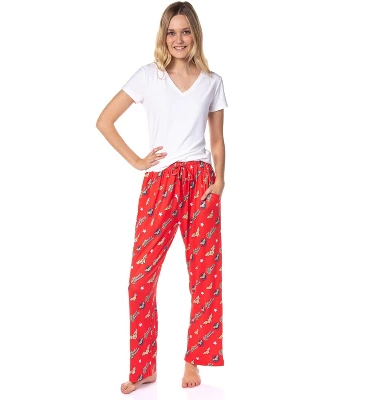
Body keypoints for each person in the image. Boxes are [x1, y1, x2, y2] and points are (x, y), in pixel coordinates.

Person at [95, 1, 228, 394]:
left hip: (201, 181)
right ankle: (143, 367)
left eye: (185, 31)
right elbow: (105, 120)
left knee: (205, 275)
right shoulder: (147, 76)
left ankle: (193, 360)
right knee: (140, 280)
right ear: (163, 36)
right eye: (171, 32)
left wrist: (220, 181)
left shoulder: (212, 81)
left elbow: (217, 140)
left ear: (195, 34)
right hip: (160, 184)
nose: (178, 39)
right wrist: (138, 161)